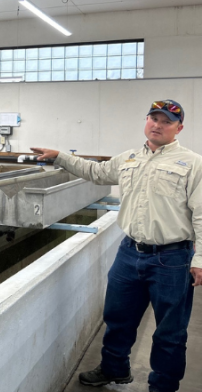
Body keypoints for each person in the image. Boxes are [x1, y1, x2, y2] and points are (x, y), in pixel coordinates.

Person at [32, 99, 202, 392]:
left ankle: (163, 387)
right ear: (146, 121)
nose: (158, 125)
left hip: (172, 259)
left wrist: (200, 258)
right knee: (117, 317)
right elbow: (95, 172)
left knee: (169, 332)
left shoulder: (192, 163)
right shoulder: (129, 158)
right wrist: (60, 156)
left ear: (179, 128)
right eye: (154, 119)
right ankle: (114, 369)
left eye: (166, 121)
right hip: (129, 253)